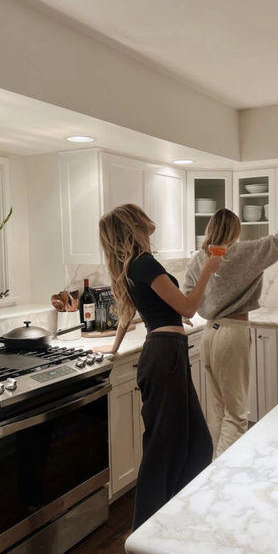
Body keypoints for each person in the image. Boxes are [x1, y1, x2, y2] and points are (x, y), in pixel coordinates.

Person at [97, 203, 221, 530]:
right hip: (165, 353)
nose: (149, 220)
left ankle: (179, 516)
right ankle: (147, 531)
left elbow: (125, 315)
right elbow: (187, 308)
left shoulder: (133, 266)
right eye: (142, 217)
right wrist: (209, 269)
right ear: (134, 225)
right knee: (162, 447)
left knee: (198, 444)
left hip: (167, 352)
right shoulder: (144, 263)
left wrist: (112, 349)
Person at [183, 183, 278, 458]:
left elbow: (186, 299)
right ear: (236, 231)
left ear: (210, 229)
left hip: (209, 335)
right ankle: (224, 473)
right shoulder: (243, 253)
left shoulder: (198, 259)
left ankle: (209, 472)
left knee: (218, 410)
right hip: (233, 334)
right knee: (237, 414)